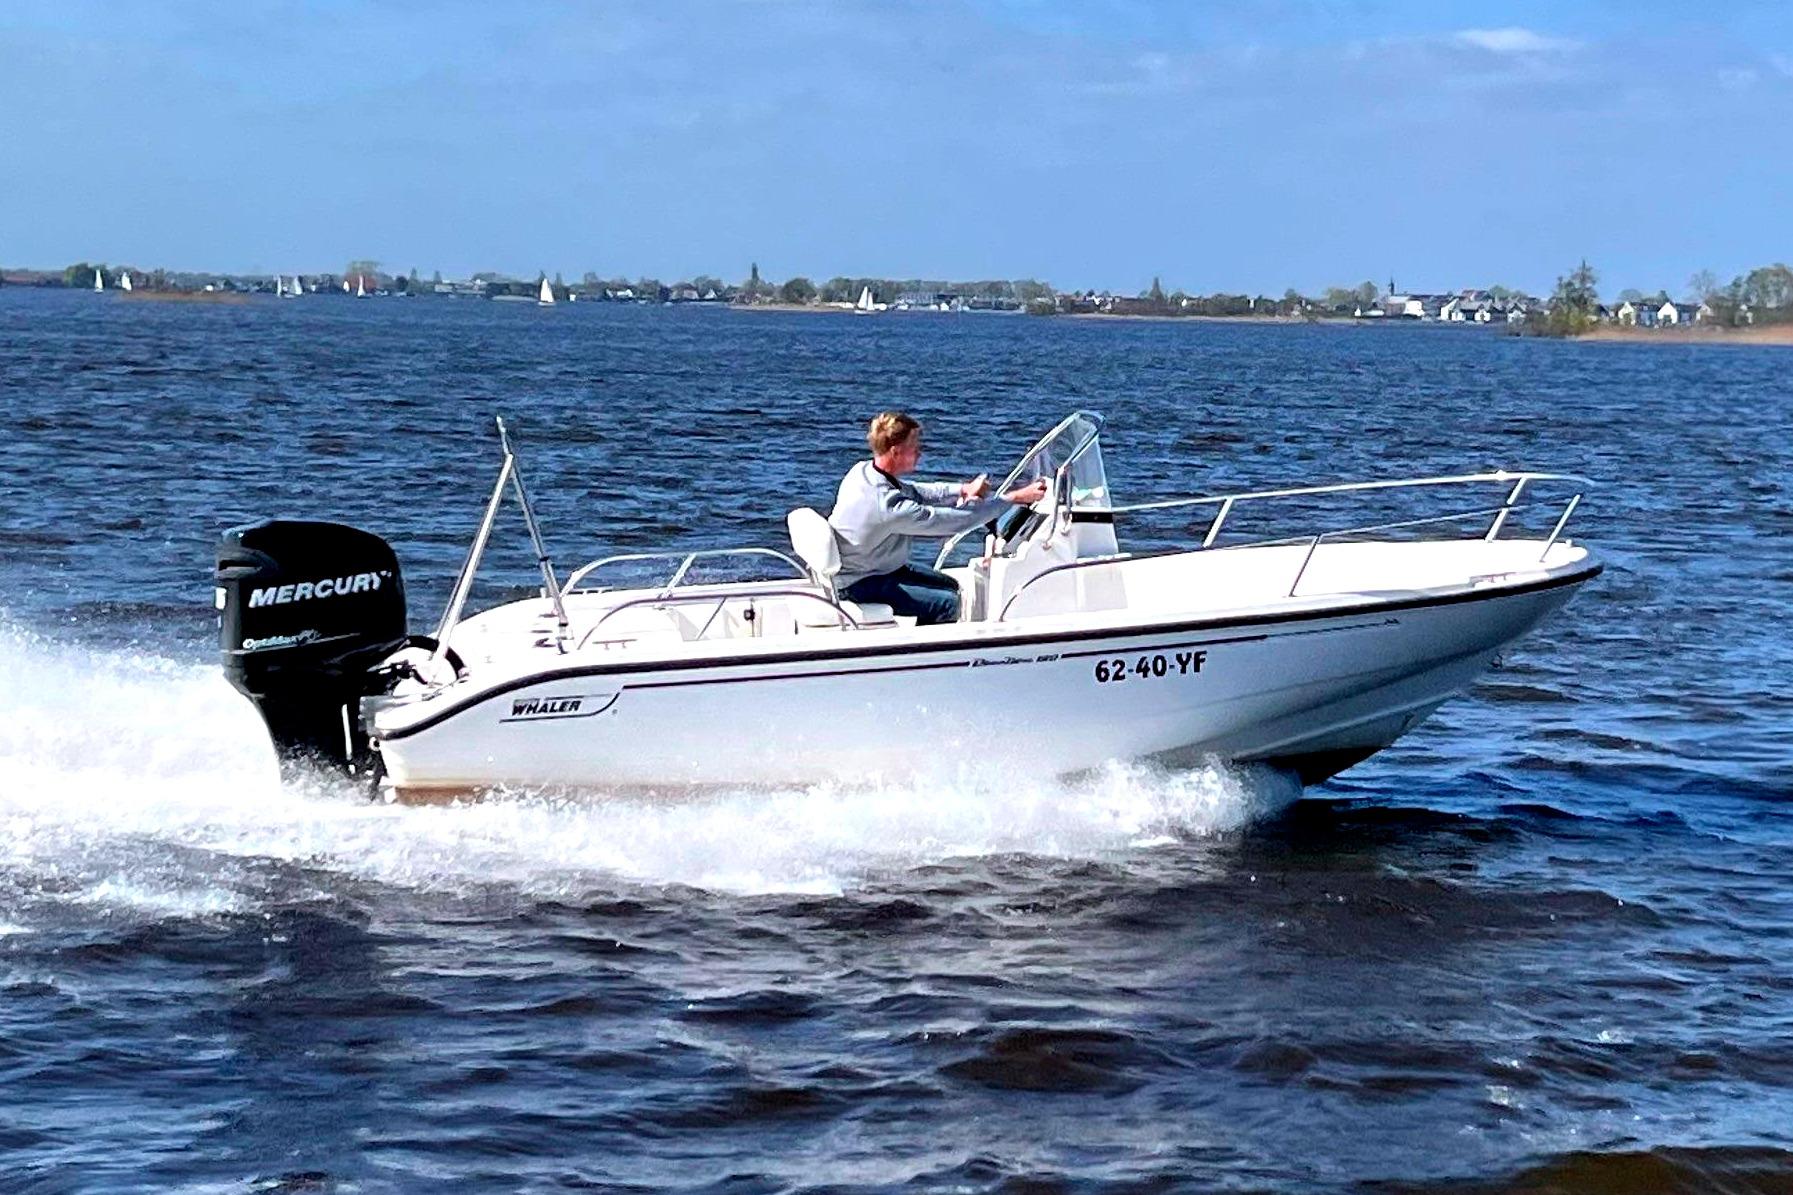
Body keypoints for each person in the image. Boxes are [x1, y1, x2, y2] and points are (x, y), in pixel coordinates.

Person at [828, 411, 1049, 625]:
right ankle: (922, 656)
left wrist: (963, 490)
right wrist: (1014, 498)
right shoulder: (888, 506)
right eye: (914, 448)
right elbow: (954, 521)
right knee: (950, 604)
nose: (920, 453)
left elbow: (918, 492)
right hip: (860, 582)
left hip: (875, 566)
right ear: (895, 452)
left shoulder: (863, 471)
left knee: (952, 585)